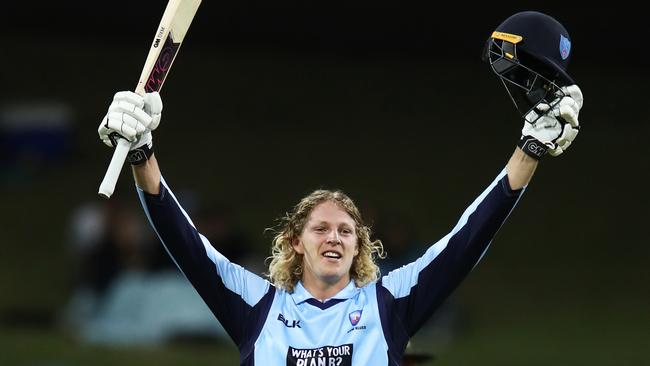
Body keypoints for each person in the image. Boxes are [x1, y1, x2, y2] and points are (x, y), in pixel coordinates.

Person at [96, 11, 583, 365]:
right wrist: (141, 152)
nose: (335, 237)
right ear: (294, 242)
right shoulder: (258, 305)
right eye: (322, 228)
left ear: (360, 246)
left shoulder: (388, 302)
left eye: (347, 231)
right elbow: (183, 240)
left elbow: (469, 237)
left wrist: (529, 150)